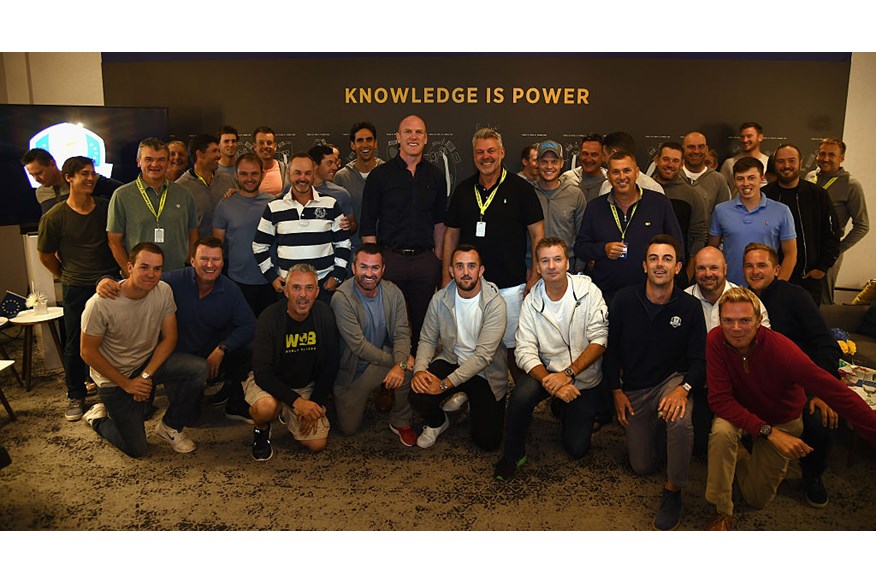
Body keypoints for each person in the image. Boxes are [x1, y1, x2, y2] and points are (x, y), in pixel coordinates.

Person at [704, 286, 876, 530]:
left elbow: (837, 394)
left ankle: (740, 454)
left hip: (782, 419)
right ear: (719, 321)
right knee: (721, 432)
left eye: (744, 320)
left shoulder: (782, 350)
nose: (736, 328)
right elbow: (720, 400)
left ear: (759, 321)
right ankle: (722, 510)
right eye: (728, 321)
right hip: (741, 414)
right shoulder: (715, 340)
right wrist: (768, 433)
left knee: (756, 499)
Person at [604, 235, 706, 530]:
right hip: (634, 387)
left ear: (678, 268)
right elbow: (611, 350)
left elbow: (700, 360)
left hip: (670, 381)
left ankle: (674, 490)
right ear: (644, 266)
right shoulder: (624, 299)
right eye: (653, 259)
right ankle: (661, 437)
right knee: (642, 466)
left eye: (667, 259)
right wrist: (616, 391)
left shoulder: (689, 307)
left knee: (679, 421)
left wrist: (683, 388)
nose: (660, 265)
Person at [97, 237, 257, 423]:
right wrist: (105, 280)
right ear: (192, 260)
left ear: (223, 262)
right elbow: (139, 281)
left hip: (208, 352)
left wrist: (223, 348)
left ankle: (234, 399)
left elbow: (249, 324)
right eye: (204, 258)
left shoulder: (230, 289)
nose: (210, 265)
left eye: (216, 259)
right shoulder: (172, 281)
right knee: (183, 418)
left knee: (252, 346)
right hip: (172, 356)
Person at [80, 242, 208, 457]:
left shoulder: (163, 290)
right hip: (113, 378)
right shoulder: (100, 303)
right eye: (144, 267)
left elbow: (170, 338)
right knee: (136, 449)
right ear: (129, 267)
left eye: (157, 268)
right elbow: (87, 352)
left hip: (146, 365)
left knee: (198, 368)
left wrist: (145, 376)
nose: (151, 274)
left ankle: (170, 426)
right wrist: (128, 384)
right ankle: (97, 419)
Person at [495, 237, 608, 480]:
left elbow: (599, 341)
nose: (551, 266)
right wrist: (550, 381)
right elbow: (524, 350)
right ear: (537, 267)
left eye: (557, 259)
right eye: (545, 261)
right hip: (547, 372)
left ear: (568, 263)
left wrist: (567, 375)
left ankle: (564, 407)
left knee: (577, 449)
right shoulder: (532, 301)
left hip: (583, 376)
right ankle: (513, 455)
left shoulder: (589, 291)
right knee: (520, 395)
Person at [743, 242, 841, 508]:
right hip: (757, 384)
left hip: (800, 383)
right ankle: (752, 459)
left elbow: (827, 345)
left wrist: (820, 391)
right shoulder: (741, 301)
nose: (755, 271)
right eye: (749, 266)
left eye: (761, 265)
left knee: (820, 420)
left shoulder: (795, 296)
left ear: (776, 269)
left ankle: (812, 475)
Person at [443, 128, 544, 380]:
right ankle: (478, 397)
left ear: (501, 153)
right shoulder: (464, 190)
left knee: (515, 348)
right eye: (479, 152)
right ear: (474, 156)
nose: (485, 157)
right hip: (470, 288)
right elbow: (450, 235)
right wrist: (446, 277)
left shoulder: (521, 189)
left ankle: (520, 403)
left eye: (490, 151)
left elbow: (538, 235)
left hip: (512, 286)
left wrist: (535, 275)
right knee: (472, 346)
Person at [37, 156, 119, 422]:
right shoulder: (54, 217)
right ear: (68, 177)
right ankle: (75, 393)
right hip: (76, 287)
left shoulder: (106, 207)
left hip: (109, 284)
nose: (90, 178)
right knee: (75, 342)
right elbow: (46, 255)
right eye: (84, 174)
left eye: (92, 173)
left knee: (114, 340)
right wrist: (67, 276)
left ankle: (115, 390)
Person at [360, 115, 447, 350]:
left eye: (419, 132)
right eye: (407, 132)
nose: (413, 137)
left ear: (426, 138)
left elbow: (440, 222)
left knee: (424, 326)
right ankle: (390, 374)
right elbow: (368, 224)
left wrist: (436, 259)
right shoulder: (380, 175)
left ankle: (419, 374)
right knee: (388, 324)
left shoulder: (436, 176)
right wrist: (375, 263)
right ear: (398, 137)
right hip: (390, 260)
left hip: (424, 262)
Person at [409, 245, 508, 450]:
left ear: (481, 271)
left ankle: (466, 397)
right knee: (417, 393)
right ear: (451, 271)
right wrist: (419, 370)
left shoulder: (496, 303)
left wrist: (444, 385)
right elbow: (427, 339)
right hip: (452, 359)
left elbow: (482, 357)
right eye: (460, 266)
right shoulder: (440, 299)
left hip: (484, 372)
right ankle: (439, 422)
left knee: (487, 442)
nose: (465, 272)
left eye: (471, 266)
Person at [244, 263, 339, 461]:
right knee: (265, 408)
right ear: (286, 291)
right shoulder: (269, 318)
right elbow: (262, 374)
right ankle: (262, 429)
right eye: (296, 287)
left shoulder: (325, 315)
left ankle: (286, 410)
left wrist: (316, 403)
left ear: (317, 292)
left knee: (317, 444)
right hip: (270, 383)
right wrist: (297, 403)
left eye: (309, 288)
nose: (303, 294)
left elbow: (331, 364)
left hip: (304, 385)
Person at [684, 246, 769, 458]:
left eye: (714, 267)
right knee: (701, 447)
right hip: (699, 383)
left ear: (725, 269)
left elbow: (764, 345)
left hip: (739, 381)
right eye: (701, 268)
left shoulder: (747, 301)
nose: (708, 274)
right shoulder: (683, 300)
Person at [330, 244, 417, 444]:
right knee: (348, 429)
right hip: (353, 371)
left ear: (383, 270)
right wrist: (398, 362)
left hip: (380, 357)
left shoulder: (393, 292)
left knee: (410, 370)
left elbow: (402, 332)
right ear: (353, 268)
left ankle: (400, 420)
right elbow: (359, 347)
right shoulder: (341, 298)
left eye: (375, 268)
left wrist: (401, 365)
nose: (369, 273)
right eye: (363, 267)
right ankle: (344, 395)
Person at [574, 151, 684, 304]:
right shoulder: (595, 208)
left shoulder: (659, 203)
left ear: (637, 172)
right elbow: (581, 248)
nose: (622, 177)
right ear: (608, 176)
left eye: (627, 170)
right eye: (615, 172)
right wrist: (603, 249)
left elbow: (677, 246)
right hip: (607, 295)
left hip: (650, 294)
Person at [252, 153, 351, 303]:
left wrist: (337, 275)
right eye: (297, 173)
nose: (302, 178)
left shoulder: (330, 204)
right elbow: (259, 245)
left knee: (324, 326)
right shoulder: (274, 207)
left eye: (307, 173)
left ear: (313, 173)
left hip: (323, 286)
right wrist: (272, 277)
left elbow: (343, 243)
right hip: (289, 288)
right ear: (289, 174)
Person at [107, 137, 198, 274]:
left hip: (177, 274)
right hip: (139, 277)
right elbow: (114, 241)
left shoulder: (184, 194)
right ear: (139, 162)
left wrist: (188, 263)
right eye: (149, 159)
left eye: (161, 159)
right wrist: (129, 272)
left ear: (168, 163)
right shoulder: (122, 195)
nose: (155, 164)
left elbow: (193, 233)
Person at [763, 144, 840, 306]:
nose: (786, 166)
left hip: (808, 280)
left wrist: (822, 267)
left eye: (791, 160)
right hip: (771, 280)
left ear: (801, 162)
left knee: (806, 328)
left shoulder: (817, 194)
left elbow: (832, 233)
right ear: (774, 164)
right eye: (781, 161)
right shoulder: (765, 196)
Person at [707, 157, 797, 287]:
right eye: (740, 179)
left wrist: (779, 287)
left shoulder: (781, 211)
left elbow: (791, 254)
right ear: (734, 181)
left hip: (767, 288)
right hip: (729, 287)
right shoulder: (721, 210)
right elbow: (712, 251)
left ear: (762, 178)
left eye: (751, 178)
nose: (745, 183)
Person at [804, 137, 870, 304]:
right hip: (805, 248)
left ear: (841, 158)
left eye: (831, 155)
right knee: (802, 297)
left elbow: (862, 225)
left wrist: (837, 249)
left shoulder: (851, 185)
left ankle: (825, 330)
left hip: (828, 251)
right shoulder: (810, 177)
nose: (825, 159)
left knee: (823, 300)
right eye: (822, 154)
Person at [212, 153, 275, 316]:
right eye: (244, 174)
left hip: (271, 281)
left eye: (254, 173)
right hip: (237, 281)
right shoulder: (225, 204)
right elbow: (216, 245)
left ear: (262, 174)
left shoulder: (274, 203)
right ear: (236, 175)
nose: (249, 178)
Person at [651, 141, 708, 283]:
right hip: (646, 267)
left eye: (675, 161)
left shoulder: (691, 195)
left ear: (682, 164)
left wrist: (688, 271)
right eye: (665, 159)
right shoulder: (644, 189)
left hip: (678, 270)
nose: (670, 164)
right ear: (656, 160)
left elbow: (699, 234)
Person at [531, 140, 586, 269]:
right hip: (533, 267)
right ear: (537, 163)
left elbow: (583, 236)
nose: (549, 166)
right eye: (544, 161)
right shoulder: (527, 194)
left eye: (554, 162)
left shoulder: (575, 194)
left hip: (567, 267)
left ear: (562, 163)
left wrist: (579, 267)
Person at [334, 121, 384, 258]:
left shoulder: (387, 173)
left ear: (375, 143)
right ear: (353, 145)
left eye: (369, 139)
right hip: (352, 249)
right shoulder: (341, 177)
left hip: (384, 247)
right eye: (360, 140)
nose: (365, 145)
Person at [22, 148, 122, 214]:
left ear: (52, 164)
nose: (36, 179)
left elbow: (123, 192)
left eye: (39, 173)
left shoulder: (85, 181)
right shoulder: (40, 193)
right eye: (32, 175)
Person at [175, 134, 237, 237]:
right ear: (200, 154)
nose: (219, 155)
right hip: (199, 250)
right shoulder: (180, 187)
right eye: (214, 151)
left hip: (227, 249)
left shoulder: (227, 180)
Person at [679, 132, 731, 226]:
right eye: (691, 147)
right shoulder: (674, 176)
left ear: (706, 149)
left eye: (701, 147)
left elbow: (723, 217)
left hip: (706, 239)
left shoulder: (718, 180)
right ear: (683, 149)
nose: (696, 151)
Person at [309, 143, 357, 234]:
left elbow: (353, 224)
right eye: (329, 163)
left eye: (334, 163)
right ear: (314, 165)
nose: (335, 167)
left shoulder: (341, 194)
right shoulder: (294, 191)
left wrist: (349, 225)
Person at [597, 131, 664, 196]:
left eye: (604, 155)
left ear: (614, 153)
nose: (603, 160)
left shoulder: (653, 189)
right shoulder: (606, 186)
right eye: (616, 172)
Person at [720, 122, 770, 192]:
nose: (745, 140)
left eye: (749, 136)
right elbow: (721, 190)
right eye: (742, 137)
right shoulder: (729, 163)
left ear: (760, 137)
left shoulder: (769, 162)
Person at [560, 133, 607, 203]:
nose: (588, 159)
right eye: (585, 154)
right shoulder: (566, 179)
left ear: (603, 157)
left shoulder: (610, 182)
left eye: (594, 155)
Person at [252, 126, 287, 196]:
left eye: (269, 143)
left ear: (275, 146)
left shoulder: (286, 170)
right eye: (261, 143)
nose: (265, 146)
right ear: (255, 147)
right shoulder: (247, 173)